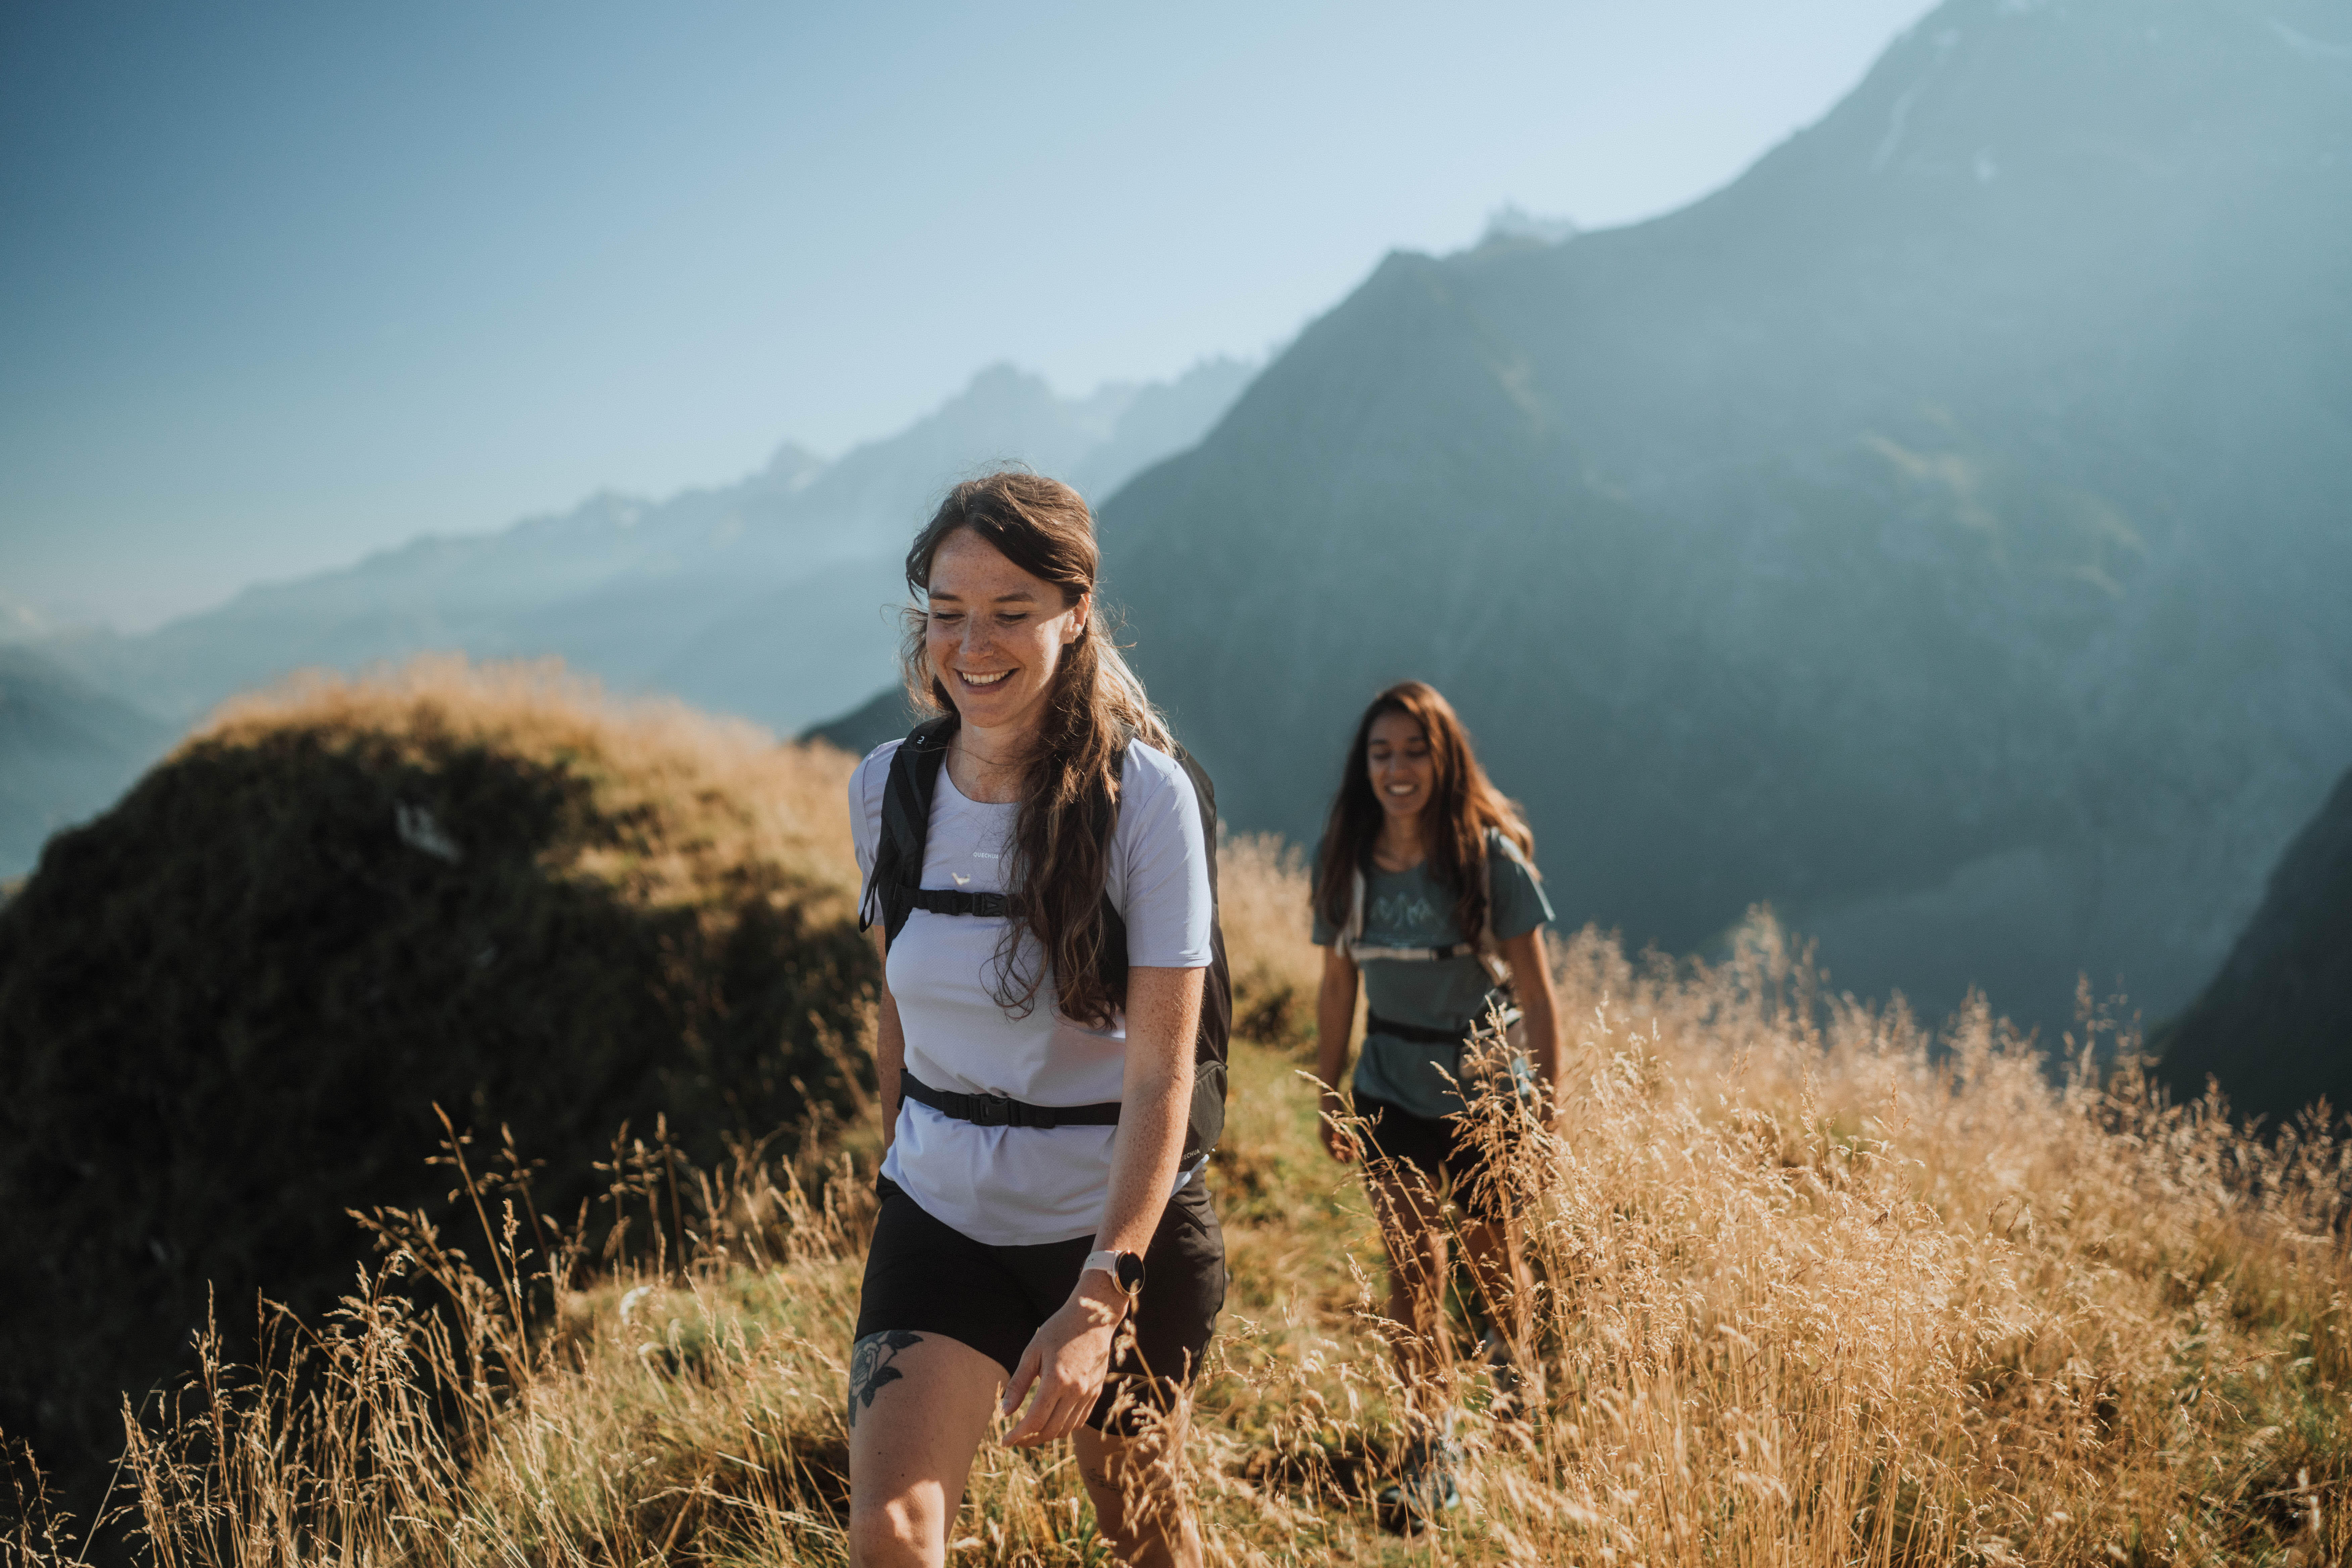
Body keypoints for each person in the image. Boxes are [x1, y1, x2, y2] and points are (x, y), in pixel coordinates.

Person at [844, 471, 1223, 1568]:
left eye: (1010, 612)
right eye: (948, 614)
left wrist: (1100, 1299)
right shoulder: (885, 790)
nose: (973, 644)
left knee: (1139, 1528)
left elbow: (1161, 1074)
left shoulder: (1144, 799)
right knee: (889, 1532)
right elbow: (898, 1005)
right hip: (938, 1219)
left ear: (1074, 614)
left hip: (1101, 1232)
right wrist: (899, 1170)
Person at [1308, 680, 1561, 1529]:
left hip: (1486, 1096)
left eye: (1415, 751)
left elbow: (1538, 992)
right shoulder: (1347, 859)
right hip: (1388, 1089)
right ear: (1364, 765)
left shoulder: (1489, 860)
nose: (1398, 769)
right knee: (1415, 1266)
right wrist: (1327, 1089)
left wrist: (1547, 1113)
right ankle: (1430, 1442)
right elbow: (1338, 980)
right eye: (1382, 753)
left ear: (1444, 758)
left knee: (1493, 1261)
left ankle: (1517, 1380)